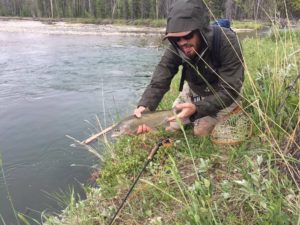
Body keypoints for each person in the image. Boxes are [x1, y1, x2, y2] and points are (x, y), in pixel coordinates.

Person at [134, 0, 244, 136]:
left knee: (201, 131)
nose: (182, 43)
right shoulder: (176, 47)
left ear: (201, 30)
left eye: (187, 36)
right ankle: (192, 113)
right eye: (176, 39)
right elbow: (160, 79)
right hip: (194, 91)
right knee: (170, 126)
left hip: (222, 93)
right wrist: (145, 107)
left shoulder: (227, 41)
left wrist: (197, 109)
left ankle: (235, 109)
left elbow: (230, 90)